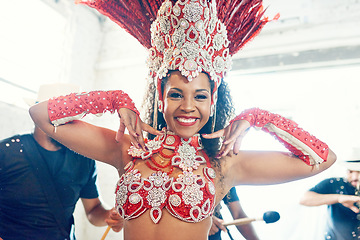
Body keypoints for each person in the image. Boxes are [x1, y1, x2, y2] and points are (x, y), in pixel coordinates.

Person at [29, 0, 337, 239]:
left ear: (213, 101)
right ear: (160, 98)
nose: (188, 106)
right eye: (176, 94)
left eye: (200, 96)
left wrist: (258, 117)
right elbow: (41, 115)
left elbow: (323, 158)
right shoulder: (126, 149)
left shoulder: (226, 163)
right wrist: (114, 100)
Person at [0, 83, 123, 240]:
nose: (68, 124)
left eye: (71, 118)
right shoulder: (6, 151)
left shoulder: (84, 158)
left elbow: (93, 210)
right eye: (61, 116)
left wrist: (110, 216)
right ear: (39, 115)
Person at [300, 157, 360, 240]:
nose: (355, 177)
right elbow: (304, 199)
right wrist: (338, 198)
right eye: (350, 171)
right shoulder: (334, 183)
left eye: (359, 172)